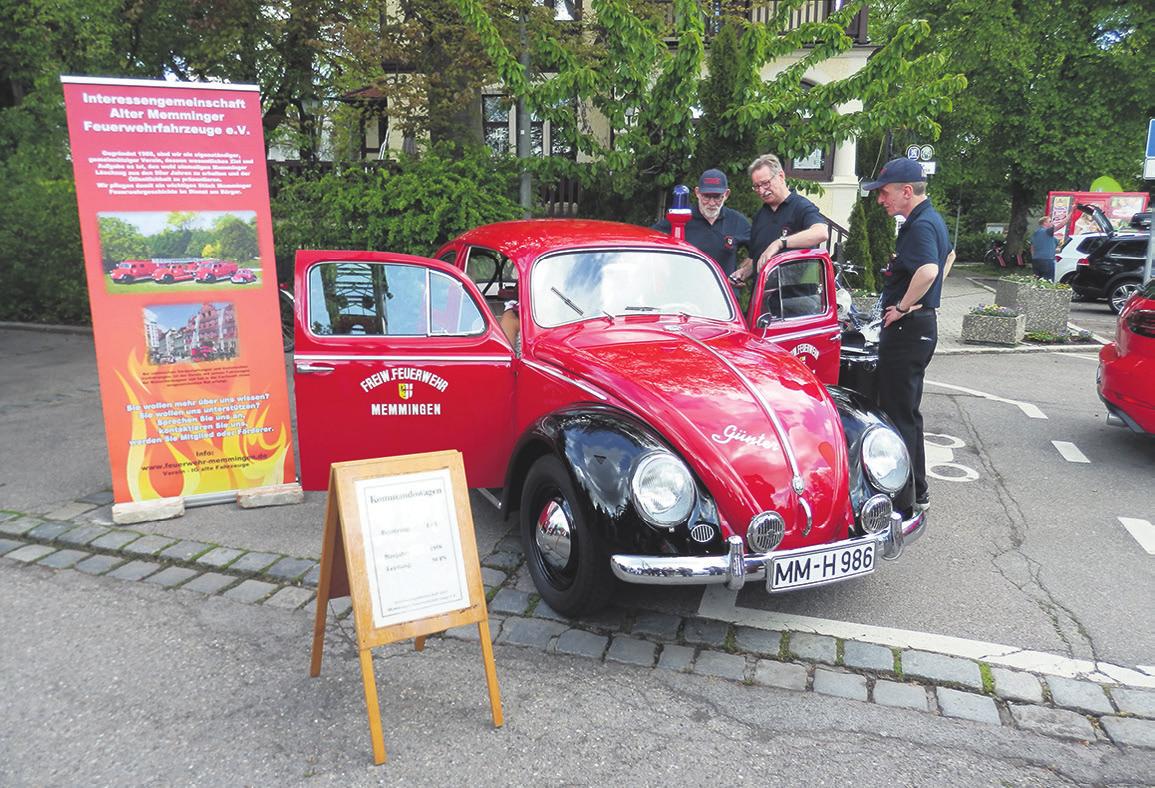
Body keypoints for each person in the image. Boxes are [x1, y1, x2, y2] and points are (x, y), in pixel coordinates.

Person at [861, 157, 951, 513]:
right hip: (919, 326)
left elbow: (929, 270)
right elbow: (949, 257)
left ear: (906, 191)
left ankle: (905, 496)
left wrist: (903, 306)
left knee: (898, 414)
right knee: (907, 412)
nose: (881, 200)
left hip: (908, 329)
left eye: (885, 193)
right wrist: (928, 300)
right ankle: (918, 489)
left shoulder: (919, 226)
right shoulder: (931, 220)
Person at [730, 153, 829, 285]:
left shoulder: (801, 206)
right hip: (764, 299)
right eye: (757, 186)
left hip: (798, 300)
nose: (761, 190)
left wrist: (779, 243)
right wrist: (743, 273)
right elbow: (756, 259)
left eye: (765, 183)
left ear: (781, 176)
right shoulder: (760, 216)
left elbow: (821, 233)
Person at [653, 168, 751, 281]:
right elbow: (649, 242)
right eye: (706, 196)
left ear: (726, 194)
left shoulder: (737, 221)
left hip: (723, 295)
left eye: (717, 197)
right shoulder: (680, 218)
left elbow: (759, 251)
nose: (712, 203)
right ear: (697, 193)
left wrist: (744, 272)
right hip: (688, 293)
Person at [1029, 215, 1059, 280]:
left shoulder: (1036, 233)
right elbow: (1061, 225)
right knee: (1048, 280)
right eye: (1050, 221)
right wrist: (1070, 214)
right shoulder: (1047, 232)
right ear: (1044, 223)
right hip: (1047, 260)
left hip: (1036, 260)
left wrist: (1033, 257)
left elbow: (1032, 247)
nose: (1052, 223)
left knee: (1037, 279)